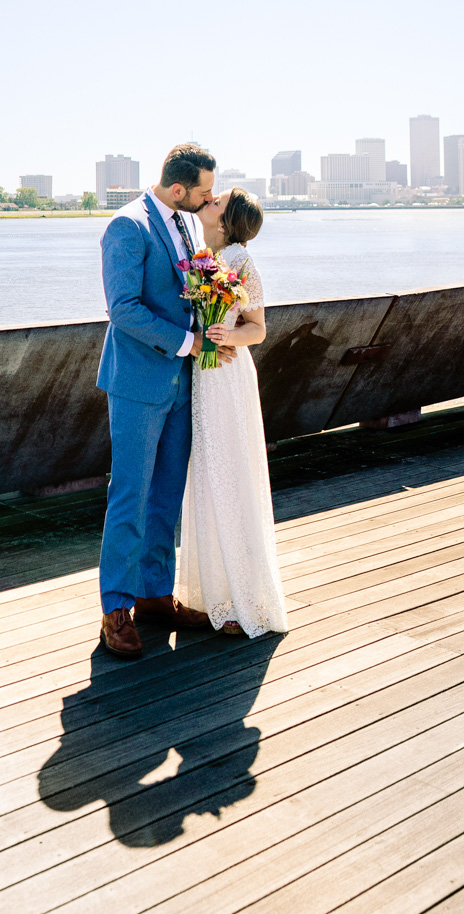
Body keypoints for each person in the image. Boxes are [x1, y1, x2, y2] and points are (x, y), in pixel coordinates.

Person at [96, 143, 223, 658]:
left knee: (167, 495)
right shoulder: (126, 227)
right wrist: (190, 342)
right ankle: (115, 610)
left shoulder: (189, 225)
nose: (208, 199)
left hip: (182, 384)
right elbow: (122, 309)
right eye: (204, 192)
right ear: (178, 189)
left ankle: (154, 597)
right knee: (129, 496)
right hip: (137, 384)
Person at [176, 187, 288, 638]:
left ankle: (244, 600)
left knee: (229, 475)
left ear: (225, 221)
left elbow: (257, 330)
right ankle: (214, 596)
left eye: (217, 201)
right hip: (204, 377)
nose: (209, 201)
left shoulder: (240, 259)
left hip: (227, 378)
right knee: (206, 477)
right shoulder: (204, 255)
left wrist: (226, 334)